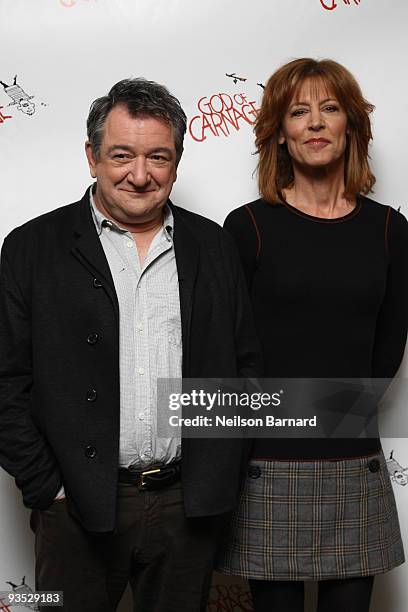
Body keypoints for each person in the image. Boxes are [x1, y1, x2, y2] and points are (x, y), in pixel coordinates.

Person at [0, 78, 262, 612]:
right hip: (73, 509)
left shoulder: (212, 245)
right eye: (121, 154)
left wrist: (218, 474)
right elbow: (4, 379)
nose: (139, 175)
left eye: (158, 158)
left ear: (176, 163)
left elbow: (243, 368)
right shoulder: (30, 247)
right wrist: (48, 490)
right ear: (92, 156)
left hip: (187, 509)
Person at [217, 58, 408, 612]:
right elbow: (231, 352)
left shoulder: (392, 231)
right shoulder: (246, 227)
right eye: (299, 112)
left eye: (330, 108)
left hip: (354, 461)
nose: (316, 123)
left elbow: (387, 350)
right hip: (265, 466)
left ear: (351, 124)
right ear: (280, 131)